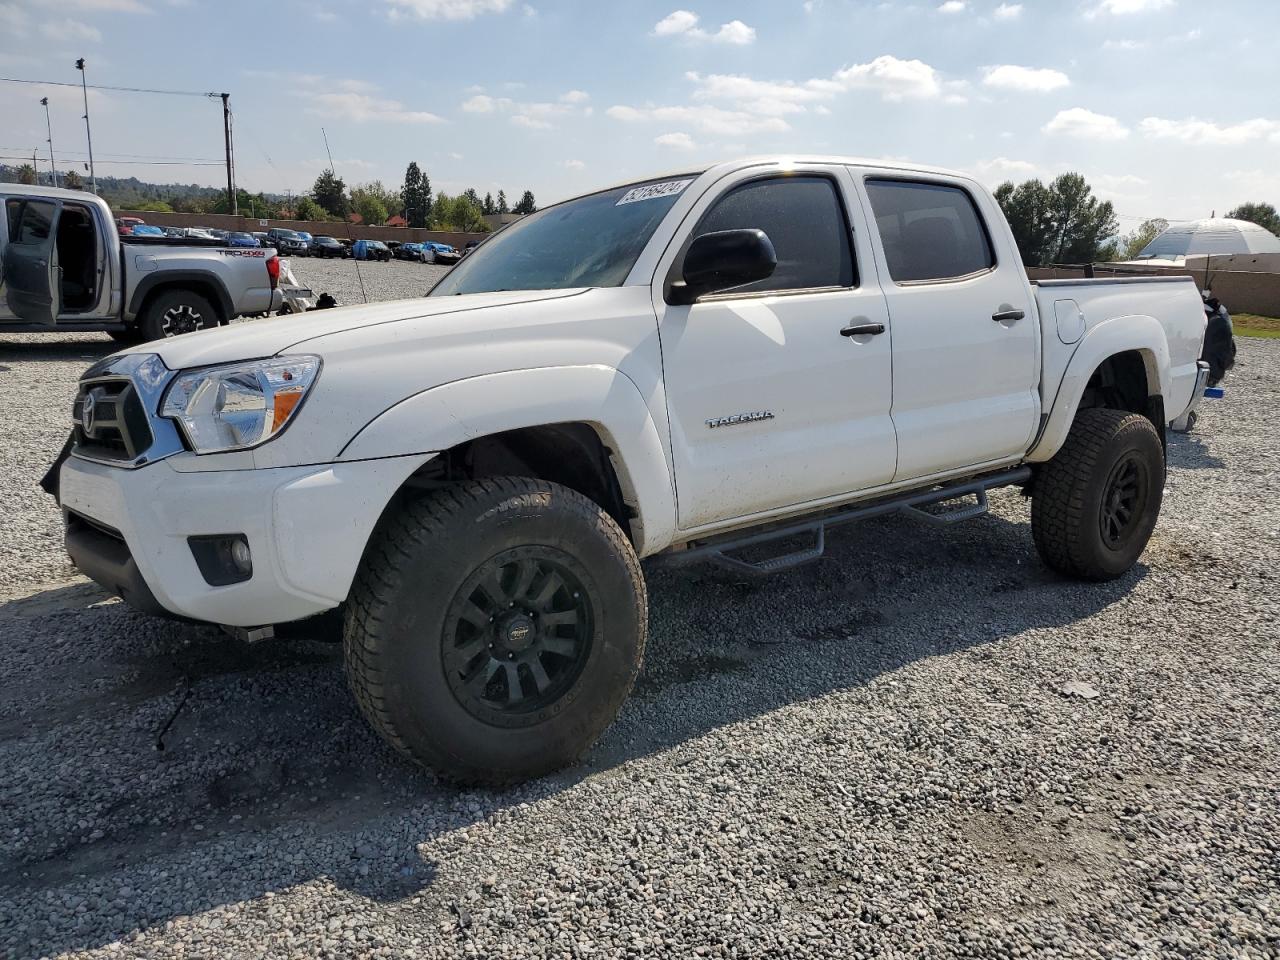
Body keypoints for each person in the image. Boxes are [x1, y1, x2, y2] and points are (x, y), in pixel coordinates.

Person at [1201, 290, 1236, 388]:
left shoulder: (1201, 318)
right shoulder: (1220, 321)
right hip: (1211, 375)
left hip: (1200, 372)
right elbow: (1228, 359)